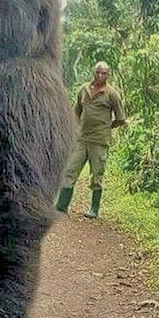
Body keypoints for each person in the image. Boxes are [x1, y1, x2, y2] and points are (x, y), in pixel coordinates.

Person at [56, 61, 126, 218]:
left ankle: (94, 209)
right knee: (70, 170)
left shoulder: (112, 94)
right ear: (93, 72)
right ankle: (62, 205)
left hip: (99, 141)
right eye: (97, 72)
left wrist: (106, 127)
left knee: (97, 175)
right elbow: (76, 113)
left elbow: (121, 118)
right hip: (82, 139)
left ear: (109, 75)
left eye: (104, 73)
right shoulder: (84, 89)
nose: (100, 75)